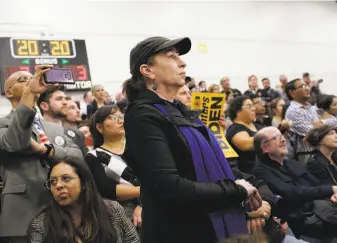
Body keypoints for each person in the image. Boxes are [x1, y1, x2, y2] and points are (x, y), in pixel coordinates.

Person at [123, 36, 261, 243]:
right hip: (180, 231)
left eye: (179, 56)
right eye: (171, 57)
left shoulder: (178, 111)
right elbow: (169, 187)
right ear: (148, 71)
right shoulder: (143, 116)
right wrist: (236, 190)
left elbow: (211, 167)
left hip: (205, 222)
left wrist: (244, 188)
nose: (182, 62)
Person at [0, 66, 83, 242]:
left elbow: (77, 156)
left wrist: (49, 151)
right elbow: (14, 143)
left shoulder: (55, 127)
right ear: (8, 92)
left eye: (32, 78)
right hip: (22, 212)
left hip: (63, 210)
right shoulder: (2, 124)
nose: (31, 81)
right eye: (23, 80)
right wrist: (29, 94)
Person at [253, 126, 337, 242]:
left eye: (282, 136)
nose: (283, 140)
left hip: (321, 210)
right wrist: (330, 190)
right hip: (303, 219)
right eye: (276, 138)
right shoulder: (261, 171)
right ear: (265, 147)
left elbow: (315, 184)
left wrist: (332, 193)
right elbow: (291, 193)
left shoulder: (290, 162)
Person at [28, 157, 140, 243]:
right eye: (53, 182)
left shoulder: (112, 210)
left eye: (66, 179)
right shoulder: (42, 224)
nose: (58, 185)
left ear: (83, 183)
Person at [86, 105, 142, 227]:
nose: (119, 120)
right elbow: (106, 188)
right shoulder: (94, 156)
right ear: (99, 128)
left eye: (121, 116)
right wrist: (145, 192)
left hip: (152, 204)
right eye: (112, 117)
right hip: (121, 215)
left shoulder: (138, 145)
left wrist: (142, 203)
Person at [37, 87, 87, 155]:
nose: (65, 102)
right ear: (44, 106)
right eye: (59, 99)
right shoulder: (36, 132)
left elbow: (84, 161)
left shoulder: (77, 134)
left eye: (65, 99)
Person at [285, 79, 321, 165]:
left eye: (307, 86)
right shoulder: (293, 111)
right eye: (302, 86)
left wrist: (320, 124)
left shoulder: (312, 107)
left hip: (320, 152)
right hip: (308, 155)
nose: (307, 89)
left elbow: (328, 123)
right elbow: (314, 133)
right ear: (292, 93)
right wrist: (320, 124)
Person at [226, 96, 262, 173]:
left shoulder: (258, 125)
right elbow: (246, 144)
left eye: (253, 105)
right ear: (237, 110)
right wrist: (271, 136)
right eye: (249, 106)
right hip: (251, 173)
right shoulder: (235, 129)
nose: (254, 108)